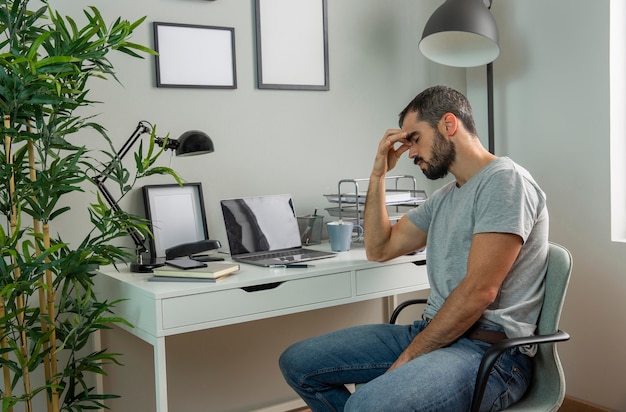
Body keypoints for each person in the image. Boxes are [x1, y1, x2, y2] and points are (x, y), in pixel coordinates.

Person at [278, 85, 549, 411]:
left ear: (449, 125)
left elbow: (479, 292)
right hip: (434, 331)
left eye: (415, 138)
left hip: (489, 353)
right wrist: (378, 172)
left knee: (367, 406)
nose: (410, 153)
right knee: (298, 363)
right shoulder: (447, 197)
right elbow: (379, 248)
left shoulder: (505, 182)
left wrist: (408, 358)